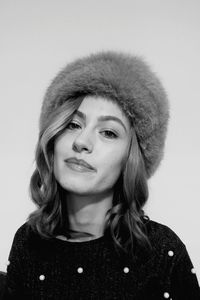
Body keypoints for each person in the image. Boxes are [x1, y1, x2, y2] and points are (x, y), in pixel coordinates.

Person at [3, 51, 200, 300]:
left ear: (131, 159)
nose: (82, 142)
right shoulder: (27, 242)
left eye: (108, 132)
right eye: (73, 124)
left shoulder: (163, 252)